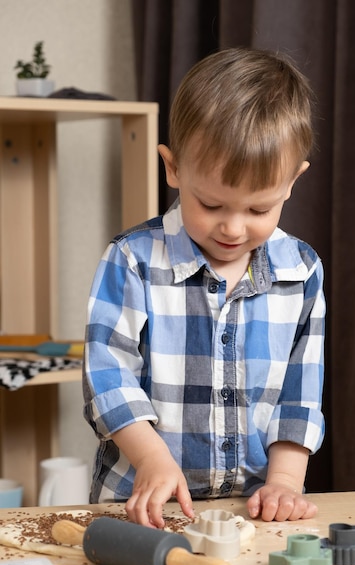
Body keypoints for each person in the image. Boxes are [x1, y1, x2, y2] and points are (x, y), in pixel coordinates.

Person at [82, 47, 325, 529]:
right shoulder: (132, 259)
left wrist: (285, 482)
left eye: (258, 210)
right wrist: (152, 459)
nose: (233, 227)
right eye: (211, 204)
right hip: (141, 506)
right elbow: (107, 378)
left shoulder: (301, 269)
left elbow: (301, 392)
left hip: (251, 515)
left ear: (292, 181)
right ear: (173, 169)